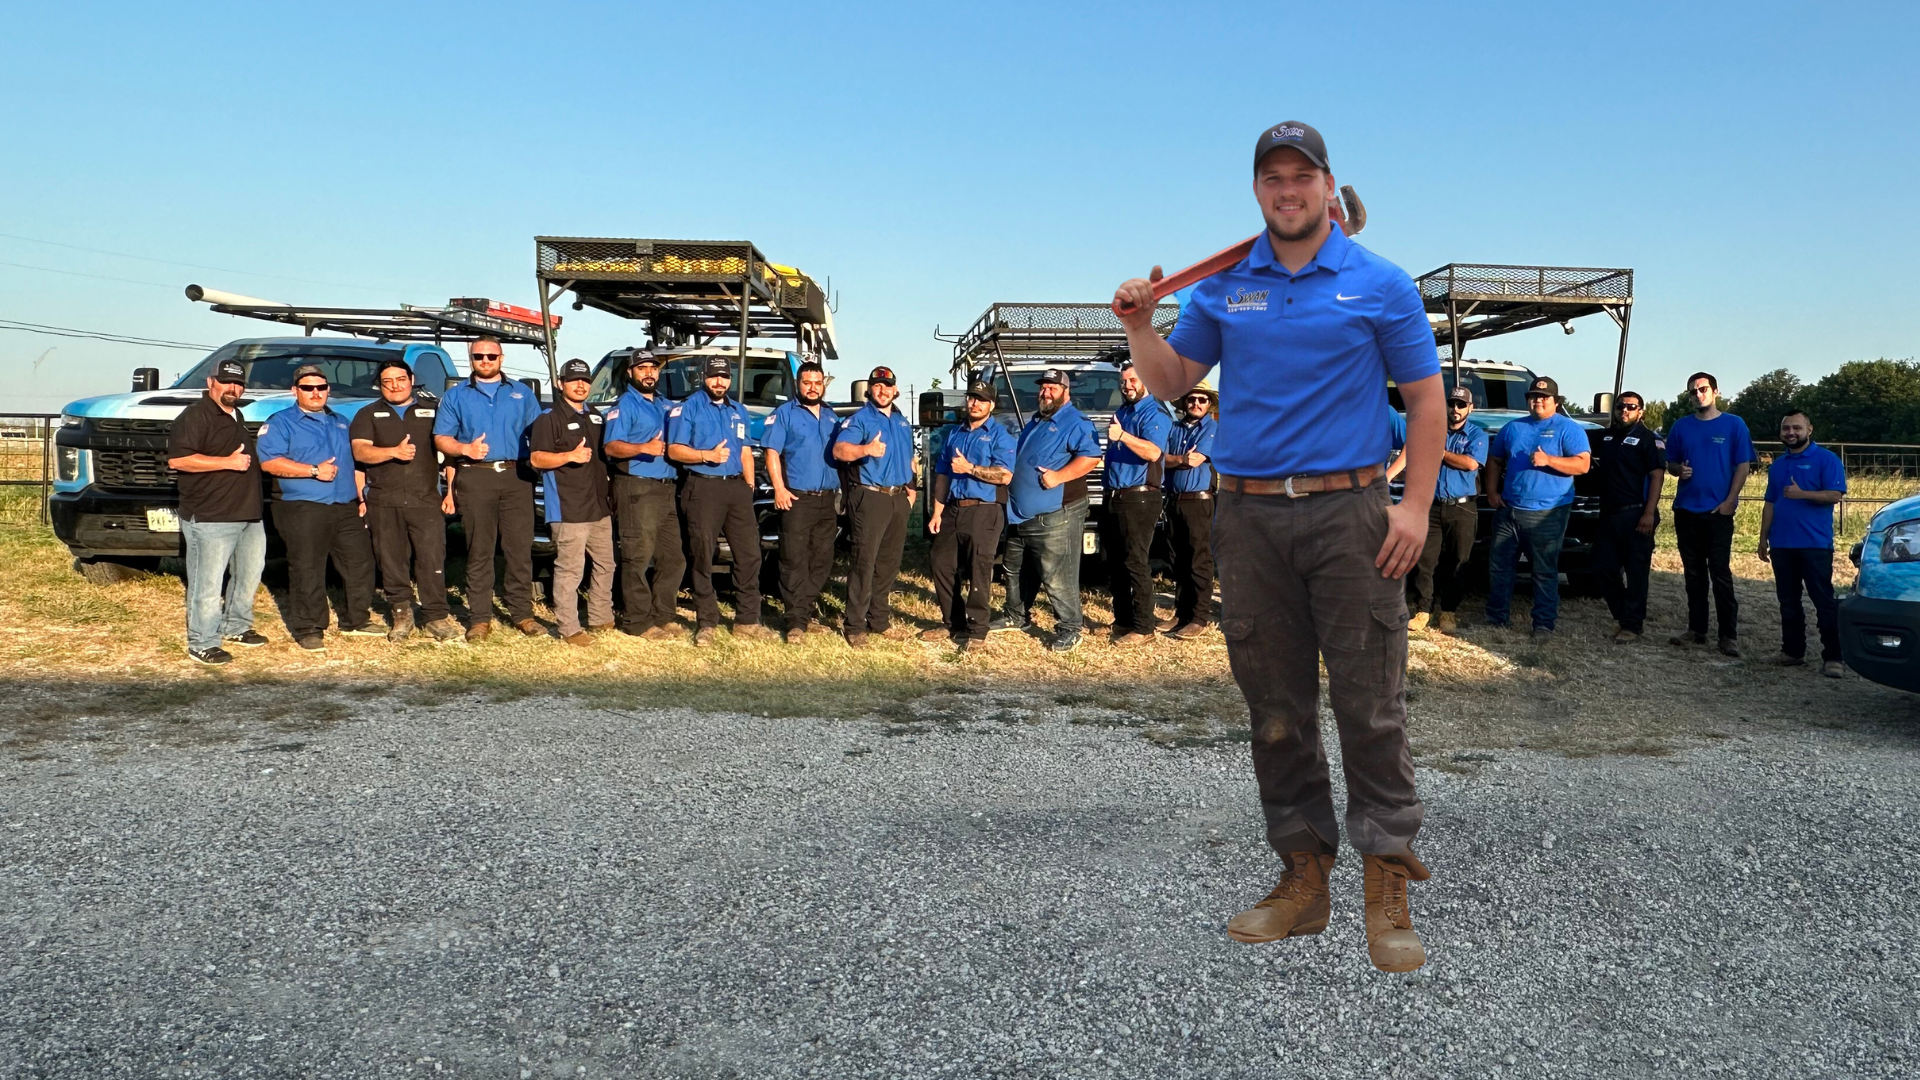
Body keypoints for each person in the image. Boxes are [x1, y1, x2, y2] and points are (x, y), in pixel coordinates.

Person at [1114, 120, 1444, 971]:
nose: (1288, 190)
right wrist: (1142, 327)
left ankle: (1386, 878)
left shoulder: (1380, 284)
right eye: (1273, 178)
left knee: (1371, 702)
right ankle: (1303, 874)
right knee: (1276, 709)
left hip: (1354, 515)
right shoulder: (1226, 289)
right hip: (1249, 518)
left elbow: (1425, 399)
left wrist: (1412, 508)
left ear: (1329, 187)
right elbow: (1174, 381)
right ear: (1257, 191)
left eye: (1304, 176)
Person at [256, 363, 379, 651]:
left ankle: (355, 620)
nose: (315, 393)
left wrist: (362, 497)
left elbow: (354, 465)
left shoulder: (340, 422)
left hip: (345, 506)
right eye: (307, 388)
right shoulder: (280, 422)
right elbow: (269, 462)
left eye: (321, 388)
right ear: (294, 391)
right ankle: (308, 627)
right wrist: (313, 471)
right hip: (303, 506)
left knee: (360, 563)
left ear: (328, 390)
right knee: (307, 568)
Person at [434, 338, 541, 641]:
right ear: (471, 359)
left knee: (518, 549)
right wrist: (465, 447)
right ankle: (479, 618)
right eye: (478, 355)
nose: (485, 359)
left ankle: (522, 613)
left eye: (490, 355)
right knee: (479, 550)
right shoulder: (455, 396)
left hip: (516, 476)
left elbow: (540, 434)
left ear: (501, 357)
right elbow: (441, 438)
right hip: (476, 476)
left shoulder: (522, 393)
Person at [989, 368, 1101, 653]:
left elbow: (1091, 457)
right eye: (1043, 387)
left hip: (1056, 513)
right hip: (1021, 514)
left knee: (1056, 574)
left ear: (1066, 392)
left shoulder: (1075, 421)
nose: (1045, 392)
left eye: (1052, 388)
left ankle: (1070, 628)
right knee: (1014, 567)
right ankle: (1017, 615)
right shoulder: (1037, 420)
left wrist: (1059, 476)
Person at [350, 358, 460, 643]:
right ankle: (401, 613)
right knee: (392, 560)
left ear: (411, 379)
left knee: (431, 558)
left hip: (426, 499)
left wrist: (450, 491)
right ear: (380, 385)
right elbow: (360, 452)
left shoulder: (433, 411)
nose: (395, 386)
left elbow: (448, 454)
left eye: (400, 379)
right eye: (387, 381)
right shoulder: (367, 414)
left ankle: (436, 616)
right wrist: (392, 453)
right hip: (383, 500)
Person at [166, 356, 268, 664]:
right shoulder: (195, 416)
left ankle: (236, 626)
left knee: (249, 574)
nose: (232, 388)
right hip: (211, 517)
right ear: (211, 382)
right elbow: (178, 461)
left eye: (238, 383)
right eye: (226, 382)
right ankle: (202, 642)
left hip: (248, 514)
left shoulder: (235, 415)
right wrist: (227, 462)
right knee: (207, 584)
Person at [668, 354, 773, 646]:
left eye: (724, 377)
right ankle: (707, 622)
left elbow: (744, 451)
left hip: (736, 489)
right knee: (703, 555)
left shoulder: (738, 410)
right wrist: (707, 456)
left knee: (749, 554)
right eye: (714, 376)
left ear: (730, 379)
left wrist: (749, 484)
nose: (719, 382)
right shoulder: (688, 408)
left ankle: (748, 620)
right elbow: (674, 450)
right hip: (703, 488)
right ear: (704, 377)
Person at [1484, 376, 1591, 635]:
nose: (1538, 401)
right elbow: (1495, 460)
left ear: (1556, 401)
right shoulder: (1512, 428)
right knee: (1499, 567)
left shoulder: (1569, 428)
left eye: (1544, 397)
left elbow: (1582, 465)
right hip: (1509, 510)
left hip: (1548, 512)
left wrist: (1549, 460)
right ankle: (1496, 619)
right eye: (1533, 397)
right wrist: (1491, 491)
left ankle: (1543, 623)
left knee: (1543, 571)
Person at [1665, 372, 1755, 656]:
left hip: (1718, 511)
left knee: (1720, 572)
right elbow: (1670, 463)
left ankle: (1728, 635)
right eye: (1692, 391)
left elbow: (1743, 466)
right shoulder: (1681, 427)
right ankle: (1697, 629)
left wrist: (1731, 500)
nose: (1698, 394)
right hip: (1686, 510)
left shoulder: (1734, 425)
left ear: (1715, 391)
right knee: (1693, 574)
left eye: (1703, 389)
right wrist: (1678, 469)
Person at [528, 359, 615, 646]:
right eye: (574, 380)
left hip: (599, 506)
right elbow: (537, 459)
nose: (581, 385)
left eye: (585, 380)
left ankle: (600, 616)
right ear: (560, 383)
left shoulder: (596, 415)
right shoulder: (548, 418)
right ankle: (569, 628)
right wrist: (569, 456)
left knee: (606, 564)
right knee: (570, 569)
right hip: (568, 506)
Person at [925, 378, 1016, 650]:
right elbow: (943, 474)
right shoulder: (955, 433)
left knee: (979, 568)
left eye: (981, 399)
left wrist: (971, 469)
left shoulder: (1000, 435)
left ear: (991, 405)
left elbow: (1005, 475)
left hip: (985, 510)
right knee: (941, 562)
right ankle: (953, 623)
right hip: (954, 507)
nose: (975, 403)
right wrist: (936, 512)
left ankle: (977, 630)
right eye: (971, 397)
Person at [603, 351, 688, 640]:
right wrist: (642, 448)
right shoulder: (625, 405)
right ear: (630, 373)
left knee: (673, 558)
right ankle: (637, 621)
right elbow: (611, 447)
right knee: (637, 557)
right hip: (637, 486)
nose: (649, 372)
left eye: (653, 367)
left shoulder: (666, 405)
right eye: (642, 368)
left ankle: (663, 615)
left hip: (667, 487)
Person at [833, 366, 918, 647]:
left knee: (888, 563)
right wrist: (865, 450)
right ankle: (855, 625)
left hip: (897, 498)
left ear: (895, 390)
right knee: (864, 562)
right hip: (870, 497)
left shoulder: (901, 421)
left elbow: (909, 457)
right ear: (870, 389)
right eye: (877, 386)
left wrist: (911, 486)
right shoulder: (860, 419)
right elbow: (839, 450)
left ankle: (879, 621)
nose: (882, 391)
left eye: (887, 386)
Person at [1758, 410, 1847, 677]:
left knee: (1823, 601)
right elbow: (1770, 502)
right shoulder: (1778, 465)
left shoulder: (1826, 459)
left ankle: (1834, 657)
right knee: (1788, 601)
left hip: (1815, 544)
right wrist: (1763, 538)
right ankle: (1792, 651)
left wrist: (1801, 494)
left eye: (1796, 428)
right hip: (1782, 544)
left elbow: (1835, 495)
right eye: (1786, 428)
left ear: (1809, 429)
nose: (1791, 433)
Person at [762, 361, 843, 642]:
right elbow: (772, 452)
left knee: (822, 559)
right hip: (797, 498)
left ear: (823, 384)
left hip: (827, 500)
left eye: (817, 382)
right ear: (798, 384)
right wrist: (779, 488)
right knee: (794, 559)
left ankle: (805, 609)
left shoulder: (832, 417)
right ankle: (795, 621)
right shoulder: (785, 414)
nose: (812, 387)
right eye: (807, 382)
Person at [1101, 359, 1172, 646]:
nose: (1127, 385)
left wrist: (1122, 436)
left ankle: (1144, 628)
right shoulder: (1124, 411)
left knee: (1135, 562)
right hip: (1115, 496)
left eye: (1133, 380)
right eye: (1123, 382)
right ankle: (1123, 621)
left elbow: (1154, 452)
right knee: (1115, 562)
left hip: (1139, 497)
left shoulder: (1154, 412)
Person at [1408, 385, 1488, 632]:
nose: (1455, 409)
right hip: (1431, 505)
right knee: (1425, 560)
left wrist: (1441, 453)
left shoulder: (1477, 434)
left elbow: (1471, 463)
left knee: (1458, 561)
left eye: (1461, 404)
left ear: (1470, 408)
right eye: (1451, 403)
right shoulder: (1432, 431)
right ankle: (1423, 609)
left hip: (1462, 508)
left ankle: (1449, 612)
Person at [1588, 391, 1665, 643]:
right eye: (1621, 406)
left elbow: (1656, 475)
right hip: (1608, 514)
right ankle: (1624, 616)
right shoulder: (1606, 436)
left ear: (1640, 411)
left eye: (1631, 407)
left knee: (1636, 572)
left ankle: (1632, 625)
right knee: (1602, 567)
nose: (1625, 411)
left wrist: (1649, 513)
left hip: (1636, 513)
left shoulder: (1647, 439)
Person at [1159, 381, 1218, 639]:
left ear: (1209, 404)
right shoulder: (1175, 428)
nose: (1196, 404)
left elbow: (1196, 459)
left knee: (1198, 559)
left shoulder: (1213, 429)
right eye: (1192, 399)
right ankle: (1181, 613)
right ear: (1184, 402)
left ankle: (1199, 617)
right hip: (1174, 499)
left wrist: (1176, 460)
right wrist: (1179, 460)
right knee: (1177, 559)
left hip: (1199, 500)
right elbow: (1161, 459)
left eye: (1201, 400)